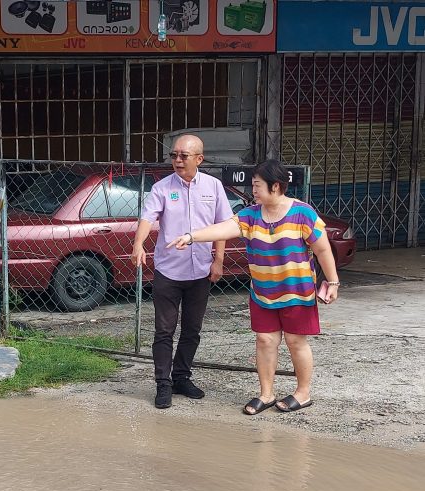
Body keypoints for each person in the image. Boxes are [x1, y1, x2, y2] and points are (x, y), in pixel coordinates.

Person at [167, 159, 340, 415]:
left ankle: (303, 393)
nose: (254, 191)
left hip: (298, 293)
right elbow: (224, 228)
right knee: (264, 340)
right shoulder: (250, 215)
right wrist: (192, 237)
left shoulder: (303, 213)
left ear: (277, 186)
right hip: (263, 293)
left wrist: (333, 281)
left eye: (257, 186)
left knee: (295, 341)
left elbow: (323, 249)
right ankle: (266, 394)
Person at [132, 134, 231, 409]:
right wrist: (138, 244)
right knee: (164, 330)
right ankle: (163, 384)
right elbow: (147, 218)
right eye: (174, 155)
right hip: (169, 271)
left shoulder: (213, 187)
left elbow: (222, 225)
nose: (176, 160)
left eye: (182, 156)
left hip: (200, 271)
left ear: (199, 159)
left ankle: (181, 377)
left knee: (192, 330)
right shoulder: (162, 188)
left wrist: (218, 260)